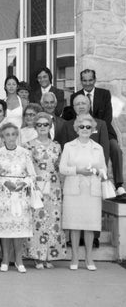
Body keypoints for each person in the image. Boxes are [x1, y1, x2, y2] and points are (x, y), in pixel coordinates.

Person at [60, 113, 106, 271]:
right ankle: (74, 258)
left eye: (88, 127)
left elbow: (104, 171)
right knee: (74, 225)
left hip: (91, 190)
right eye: (82, 126)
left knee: (89, 225)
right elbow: (62, 168)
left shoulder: (98, 147)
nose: (85, 129)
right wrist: (78, 170)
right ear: (76, 128)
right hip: (74, 189)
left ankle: (88, 258)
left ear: (93, 129)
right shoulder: (68, 146)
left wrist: (96, 171)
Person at [70, 69, 124, 196]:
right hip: (82, 133)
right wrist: (86, 132)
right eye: (84, 80)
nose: (87, 83)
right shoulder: (75, 96)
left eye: (90, 80)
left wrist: (95, 131)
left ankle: (119, 184)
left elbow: (107, 117)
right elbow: (75, 118)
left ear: (95, 80)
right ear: (81, 81)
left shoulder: (104, 94)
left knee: (115, 149)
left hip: (103, 130)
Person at [24, 112, 67, 269]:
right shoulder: (28, 145)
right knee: (38, 222)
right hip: (37, 187)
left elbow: (60, 168)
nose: (42, 127)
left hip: (54, 188)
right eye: (39, 124)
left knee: (53, 222)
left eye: (45, 124)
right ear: (35, 127)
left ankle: (49, 255)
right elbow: (26, 168)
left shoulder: (57, 146)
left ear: (50, 126)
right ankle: (38, 256)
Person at [0, 123, 36, 273]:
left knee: (19, 228)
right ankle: (5, 259)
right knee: (5, 228)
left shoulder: (25, 153)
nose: (11, 137)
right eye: (7, 135)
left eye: (13, 134)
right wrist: (5, 183)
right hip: (4, 195)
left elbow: (32, 175)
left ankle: (18, 259)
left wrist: (24, 183)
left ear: (17, 136)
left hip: (21, 194)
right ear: (2, 137)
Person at [57, 95, 110, 164]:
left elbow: (105, 150)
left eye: (83, 103)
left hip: (95, 169)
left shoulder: (101, 125)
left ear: (89, 106)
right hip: (73, 169)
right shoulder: (66, 125)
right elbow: (64, 151)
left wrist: (101, 171)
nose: (81, 106)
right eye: (77, 104)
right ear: (74, 107)